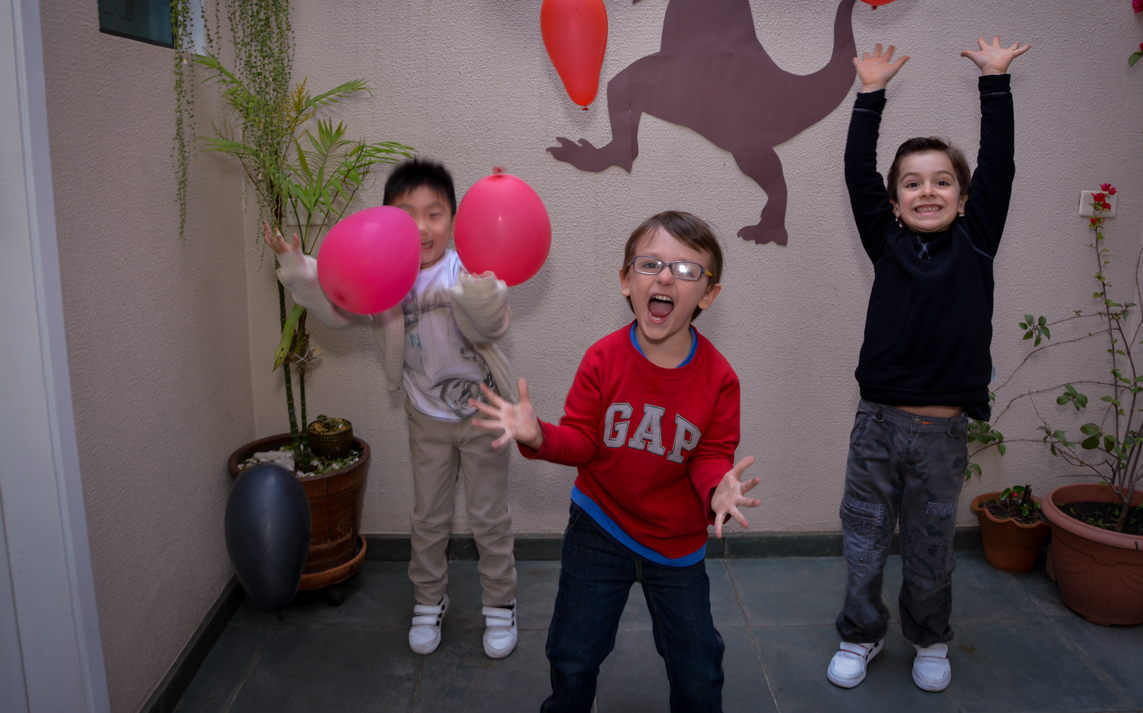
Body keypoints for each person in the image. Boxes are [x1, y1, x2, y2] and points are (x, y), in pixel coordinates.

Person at [470, 211, 761, 713]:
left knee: (697, 670)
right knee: (572, 655)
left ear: (708, 295)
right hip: (599, 526)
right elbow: (582, 442)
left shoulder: (720, 379)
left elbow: (710, 455)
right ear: (627, 281)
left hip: (675, 544)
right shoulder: (602, 359)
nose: (665, 277)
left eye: (686, 269)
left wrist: (719, 489)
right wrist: (539, 436)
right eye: (650, 264)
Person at [828, 37, 1031, 693]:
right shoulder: (885, 240)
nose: (927, 191)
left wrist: (995, 81)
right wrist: (869, 94)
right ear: (894, 201)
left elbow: (999, 163)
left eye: (942, 181)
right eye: (911, 183)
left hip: (942, 436)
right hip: (876, 426)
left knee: (931, 547)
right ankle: (860, 632)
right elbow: (857, 171)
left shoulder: (977, 240)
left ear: (964, 198)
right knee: (864, 541)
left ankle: (930, 636)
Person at [265, 158, 520, 659]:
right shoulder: (385, 274)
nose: (422, 227)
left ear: (453, 220)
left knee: (490, 518)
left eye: (434, 214)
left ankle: (499, 604)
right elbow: (337, 304)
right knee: (429, 518)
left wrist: (482, 292)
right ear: (387, 222)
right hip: (426, 417)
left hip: (486, 414)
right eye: (407, 215)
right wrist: (297, 266)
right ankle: (429, 600)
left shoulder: (467, 268)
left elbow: (495, 322)